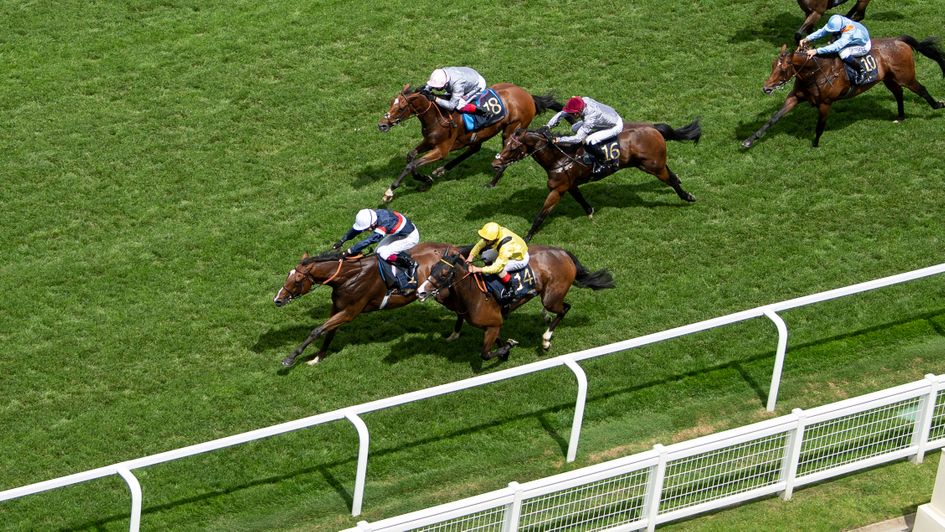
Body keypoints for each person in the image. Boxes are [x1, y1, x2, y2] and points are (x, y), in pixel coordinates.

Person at [332, 208, 419, 294]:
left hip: (410, 237)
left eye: (366, 228)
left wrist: (350, 251)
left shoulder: (384, 223)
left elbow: (370, 240)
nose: (365, 230)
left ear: (373, 224)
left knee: (384, 254)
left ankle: (410, 263)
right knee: (377, 251)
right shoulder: (373, 216)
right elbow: (356, 230)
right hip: (399, 233)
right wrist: (342, 240)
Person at [546, 96, 624, 176]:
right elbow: (562, 113)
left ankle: (602, 162)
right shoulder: (582, 102)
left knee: (589, 140)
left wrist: (558, 139)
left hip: (614, 125)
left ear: (577, 112)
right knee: (574, 128)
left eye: (572, 113)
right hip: (607, 115)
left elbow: (577, 139)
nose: (570, 115)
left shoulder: (590, 118)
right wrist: (548, 126)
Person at [464, 222, 529, 303]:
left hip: (519, 258)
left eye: (486, 240)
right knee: (485, 255)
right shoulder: (496, 233)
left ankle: (512, 287)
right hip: (508, 250)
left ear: (494, 239)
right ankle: (490, 273)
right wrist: (471, 256)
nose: (484, 240)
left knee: (499, 270)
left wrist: (478, 269)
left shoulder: (506, 247)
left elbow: (497, 267)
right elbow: (480, 244)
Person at [800, 14, 872, 84]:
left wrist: (816, 51)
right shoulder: (840, 22)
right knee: (834, 39)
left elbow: (836, 47)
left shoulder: (848, 32)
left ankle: (862, 71)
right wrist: (807, 38)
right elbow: (823, 31)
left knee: (843, 53)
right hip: (856, 36)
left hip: (863, 45)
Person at [422, 66, 488, 114]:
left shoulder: (457, 85)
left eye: (437, 87)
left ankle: (476, 110)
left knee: (459, 105)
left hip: (478, 86)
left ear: (446, 83)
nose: (435, 88)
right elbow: (434, 81)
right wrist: (426, 89)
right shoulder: (442, 73)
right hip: (469, 75)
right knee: (447, 96)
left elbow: (451, 106)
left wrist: (435, 98)